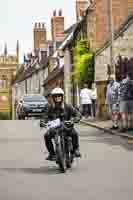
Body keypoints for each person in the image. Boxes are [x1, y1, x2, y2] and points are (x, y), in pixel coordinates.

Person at [41, 87, 81, 161]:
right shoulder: (50, 108)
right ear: (53, 97)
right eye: (55, 96)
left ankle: (76, 150)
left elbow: (77, 114)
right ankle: (52, 154)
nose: (57, 97)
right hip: (55, 128)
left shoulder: (68, 106)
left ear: (62, 97)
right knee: (46, 135)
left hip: (67, 127)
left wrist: (74, 120)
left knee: (74, 134)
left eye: (59, 96)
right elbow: (45, 116)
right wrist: (42, 122)